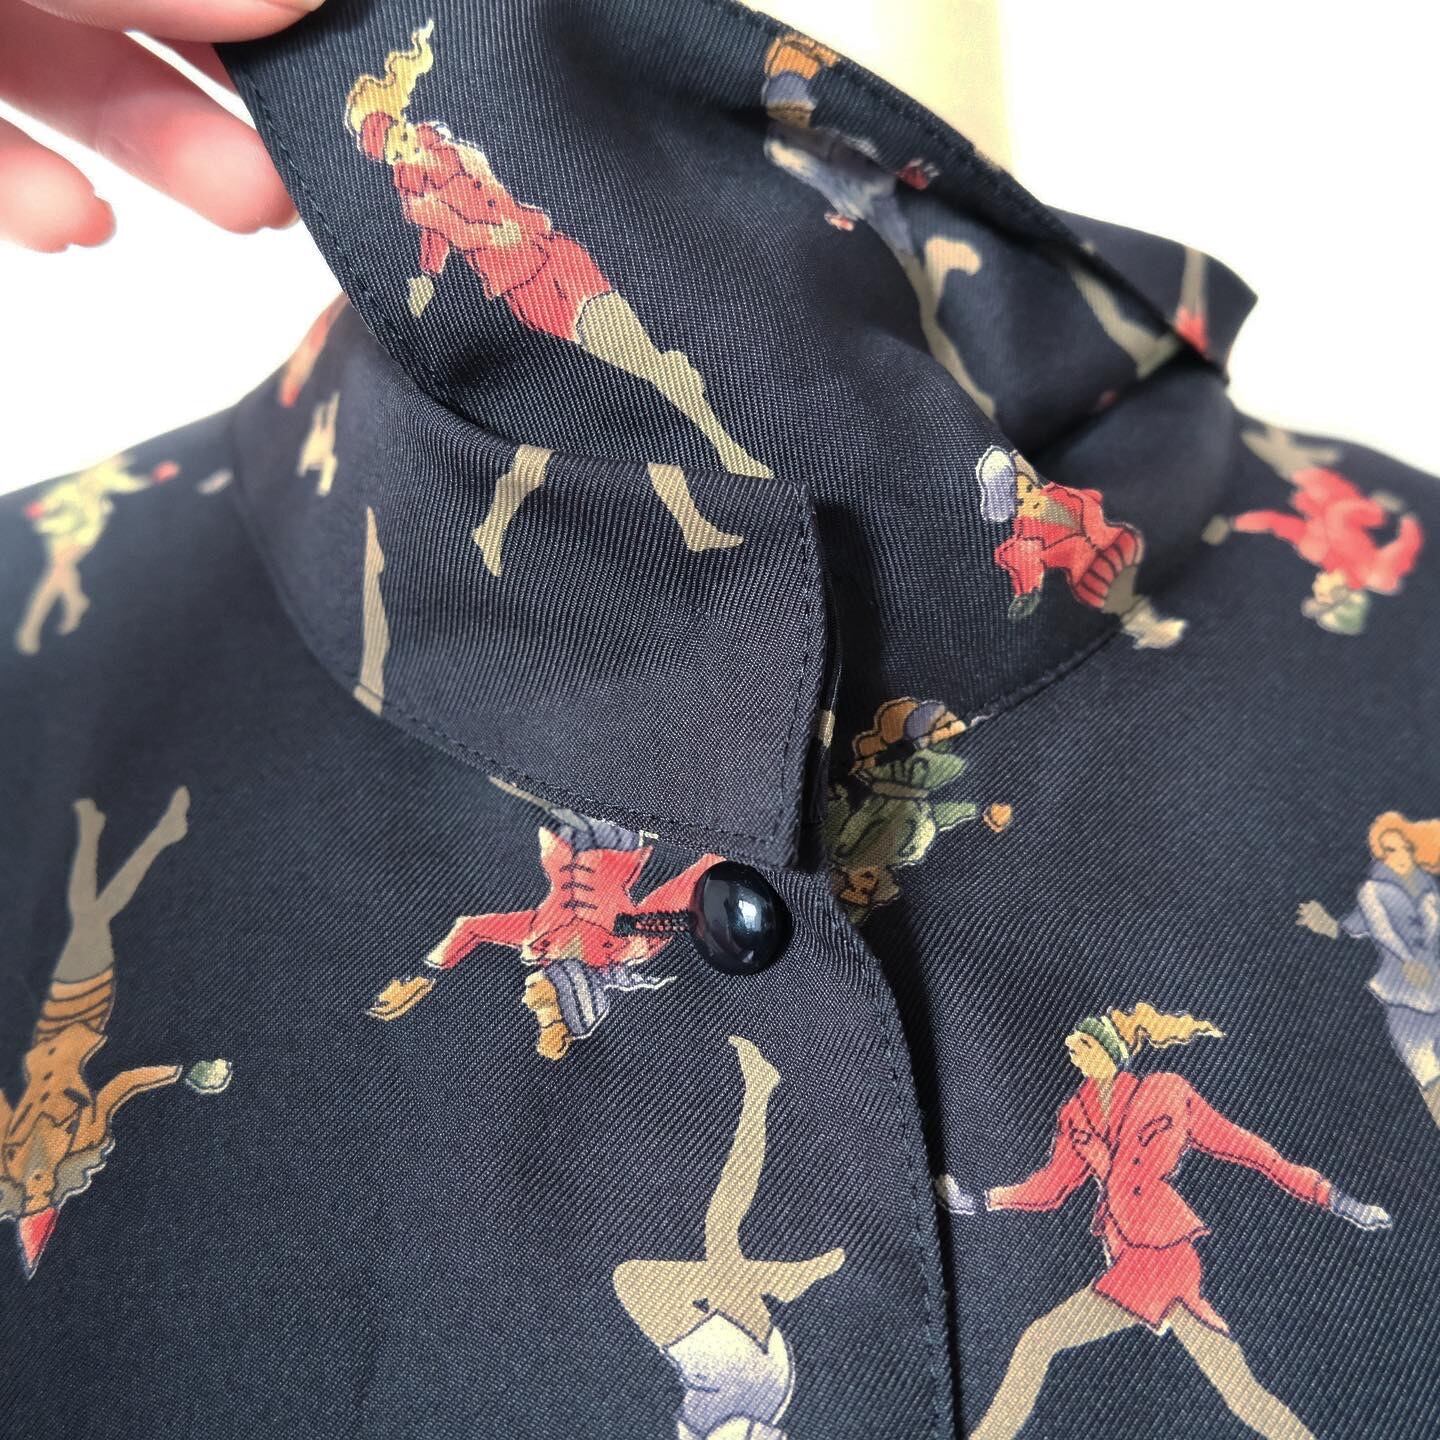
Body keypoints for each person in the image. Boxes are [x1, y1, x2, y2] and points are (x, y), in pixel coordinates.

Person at [937, 1004, 1392, 1440]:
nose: (1074, 1053)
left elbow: (1249, 1149)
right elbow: (1050, 1186)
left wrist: (1336, 1199)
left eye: (1084, 1045)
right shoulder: (1075, 1113)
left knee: (1042, 1344)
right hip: (1129, 1257)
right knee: (1235, 1386)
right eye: (1073, 1047)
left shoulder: (1166, 1092)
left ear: (1112, 1051)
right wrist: (980, 1201)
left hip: (1164, 1253)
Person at [614, 1036, 846, 1440]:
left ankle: (758, 1090)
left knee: (720, 1231)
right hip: (732, 1378)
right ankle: (779, 1278)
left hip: (756, 1381)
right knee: (634, 1280)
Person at [1298, 812, 1440, 1128]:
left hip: (1436, 990)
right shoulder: (1373, 891)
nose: (1398, 856)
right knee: (1427, 1073)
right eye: (1388, 850)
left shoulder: (1428, 892)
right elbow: (1373, 928)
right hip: (1402, 995)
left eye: (1403, 847)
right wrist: (1407, 961)